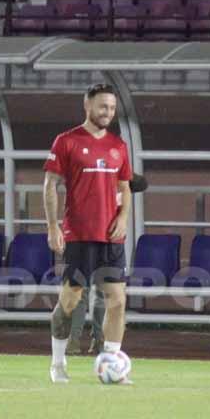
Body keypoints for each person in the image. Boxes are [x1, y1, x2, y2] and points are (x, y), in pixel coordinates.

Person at [43, 83, 133, 384]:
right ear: (88, 106)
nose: (107, 112)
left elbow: (125, 187)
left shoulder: (118, 145)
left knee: (117, 300)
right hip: (79, 234)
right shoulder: (66, 141)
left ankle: (111, 365)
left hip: (111, 236)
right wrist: (53, 225)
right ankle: (57, 364)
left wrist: (123, 216)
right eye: (102, 106)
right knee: (70, 301)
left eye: (111, 107)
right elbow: (49, 185)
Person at [67, 172, 149, 355]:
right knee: (82, 293)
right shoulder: (93, 182)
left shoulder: (117, 187)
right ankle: (76, 340)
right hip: (87, 243)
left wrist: (118, 175)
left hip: (106, 245)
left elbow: (142, 183)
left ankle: (96, 341)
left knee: (101, 296)